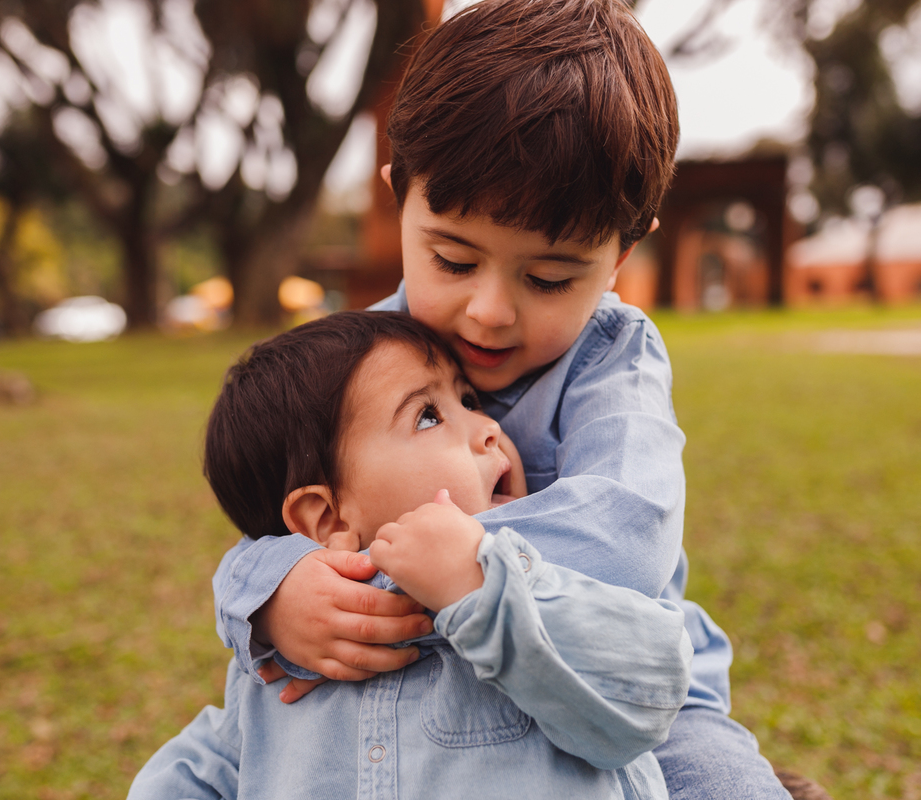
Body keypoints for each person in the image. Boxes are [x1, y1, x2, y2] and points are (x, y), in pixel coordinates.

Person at [155, 0, 793, 797]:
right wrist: (270, 594)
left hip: (618, 671)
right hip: (433, 669)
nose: (491, 311)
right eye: (454, 260)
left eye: (551, 278)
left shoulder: (613, 360)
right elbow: (284, 502)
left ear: (622, 253)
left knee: (721, 781)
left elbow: (622, 545)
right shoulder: (363, 355)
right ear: (399, 198)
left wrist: (418, 569)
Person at [129, 311, 693, 799]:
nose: (491, 427)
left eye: (468, 399)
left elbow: (648, 693)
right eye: (429, 415)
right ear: (327, 518)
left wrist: (483, 588)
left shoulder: (535, 578)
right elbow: (204, 767)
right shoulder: (289, 658)